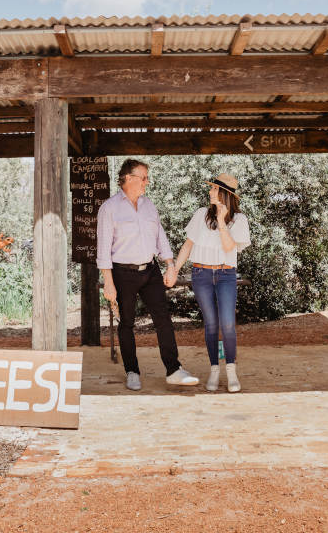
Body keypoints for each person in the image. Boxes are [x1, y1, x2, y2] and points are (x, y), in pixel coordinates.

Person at [97, 158, 199, 391]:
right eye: (143, 177)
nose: (147, 182)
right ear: (128, 179)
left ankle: (174, 370)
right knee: (127, 324)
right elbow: (103, 249)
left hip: (150, 270)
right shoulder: (109, 208)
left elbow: (160, 237)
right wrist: (108, 283)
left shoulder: (149, 205)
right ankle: (132, 371)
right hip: (122, 273)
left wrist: (170, 264)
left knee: (163, 319)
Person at [166, 173, 250, 392]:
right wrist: (174, 268)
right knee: (211, 324)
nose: (210, 192)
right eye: (212, 188)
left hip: (226, 275)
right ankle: (214, 370)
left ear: (225, 194)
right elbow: (187, 246)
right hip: (201, 274)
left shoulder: (239, 220)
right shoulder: (201, 214)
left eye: (214, 189)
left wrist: (222, 221)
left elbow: (230, 247)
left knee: (228, 324)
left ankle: (231, 371)